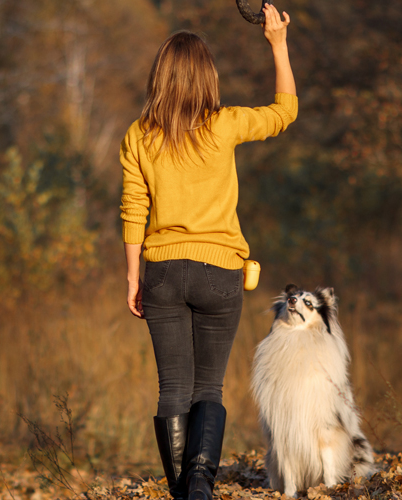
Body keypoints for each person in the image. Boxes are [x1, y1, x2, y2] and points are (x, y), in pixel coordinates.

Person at [119, 4, 296, 500]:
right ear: (207, 78)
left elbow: (134, 209)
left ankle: (183, 491)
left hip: (162, 273)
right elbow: (285, 112)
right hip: (220, 272)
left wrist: (133, 277)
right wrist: (277, 44)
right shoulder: (224, 125)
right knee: (208, 390)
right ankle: (199, 483)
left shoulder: (139, 135)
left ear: (160, 77)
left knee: (172, 389)